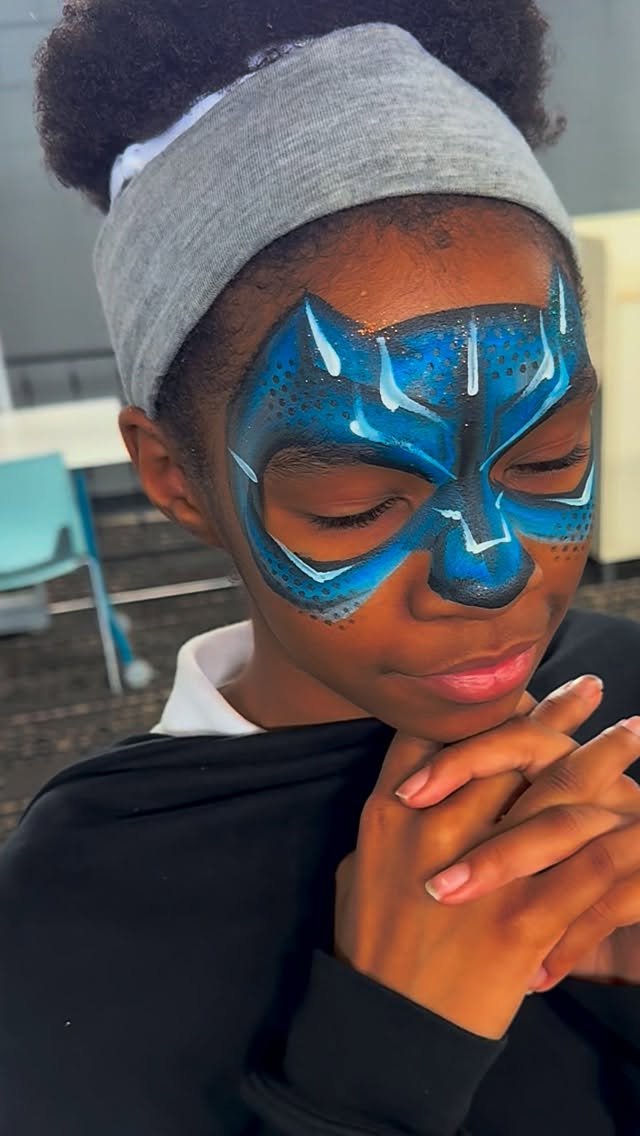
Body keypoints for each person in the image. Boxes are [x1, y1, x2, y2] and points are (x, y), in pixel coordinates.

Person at [1, 2, 639, 1133]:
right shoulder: (68, 915)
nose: (491, 571)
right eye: (357, 504)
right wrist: (383, 1062)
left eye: (547, 461)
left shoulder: (621, 696)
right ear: (175, 477)